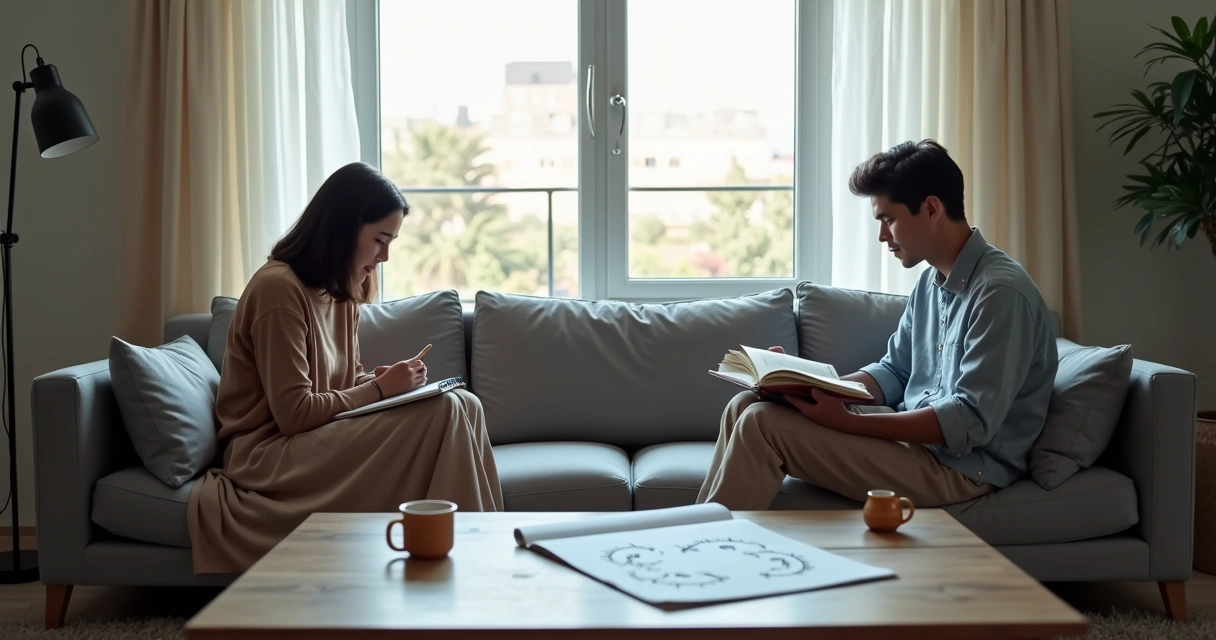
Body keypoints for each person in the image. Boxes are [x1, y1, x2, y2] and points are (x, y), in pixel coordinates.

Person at [696, 140, 1058, 510]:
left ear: (932, 208)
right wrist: (806, 387)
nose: (883, 236)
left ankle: (709, 558)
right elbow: (894, 371)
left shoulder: (1000, 294)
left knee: (762, 424)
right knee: (745, 404)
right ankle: (691, 541)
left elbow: (969, 421)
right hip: (919, 449)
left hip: (963, 469)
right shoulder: (931, 283)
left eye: (888, 219)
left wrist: (849, 423)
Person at [187, 162, 504, 574]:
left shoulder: (341, 291)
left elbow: (344, 379)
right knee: (443, 412)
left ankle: (481, 548)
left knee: (465, 404)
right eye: (380, 240)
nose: (385, 256)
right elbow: (294, 414)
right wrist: (379, 390)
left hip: (318, 436)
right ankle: (466, 562)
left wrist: (379, 381)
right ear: (344, 228)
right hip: (268, 455)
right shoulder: (278, 289)